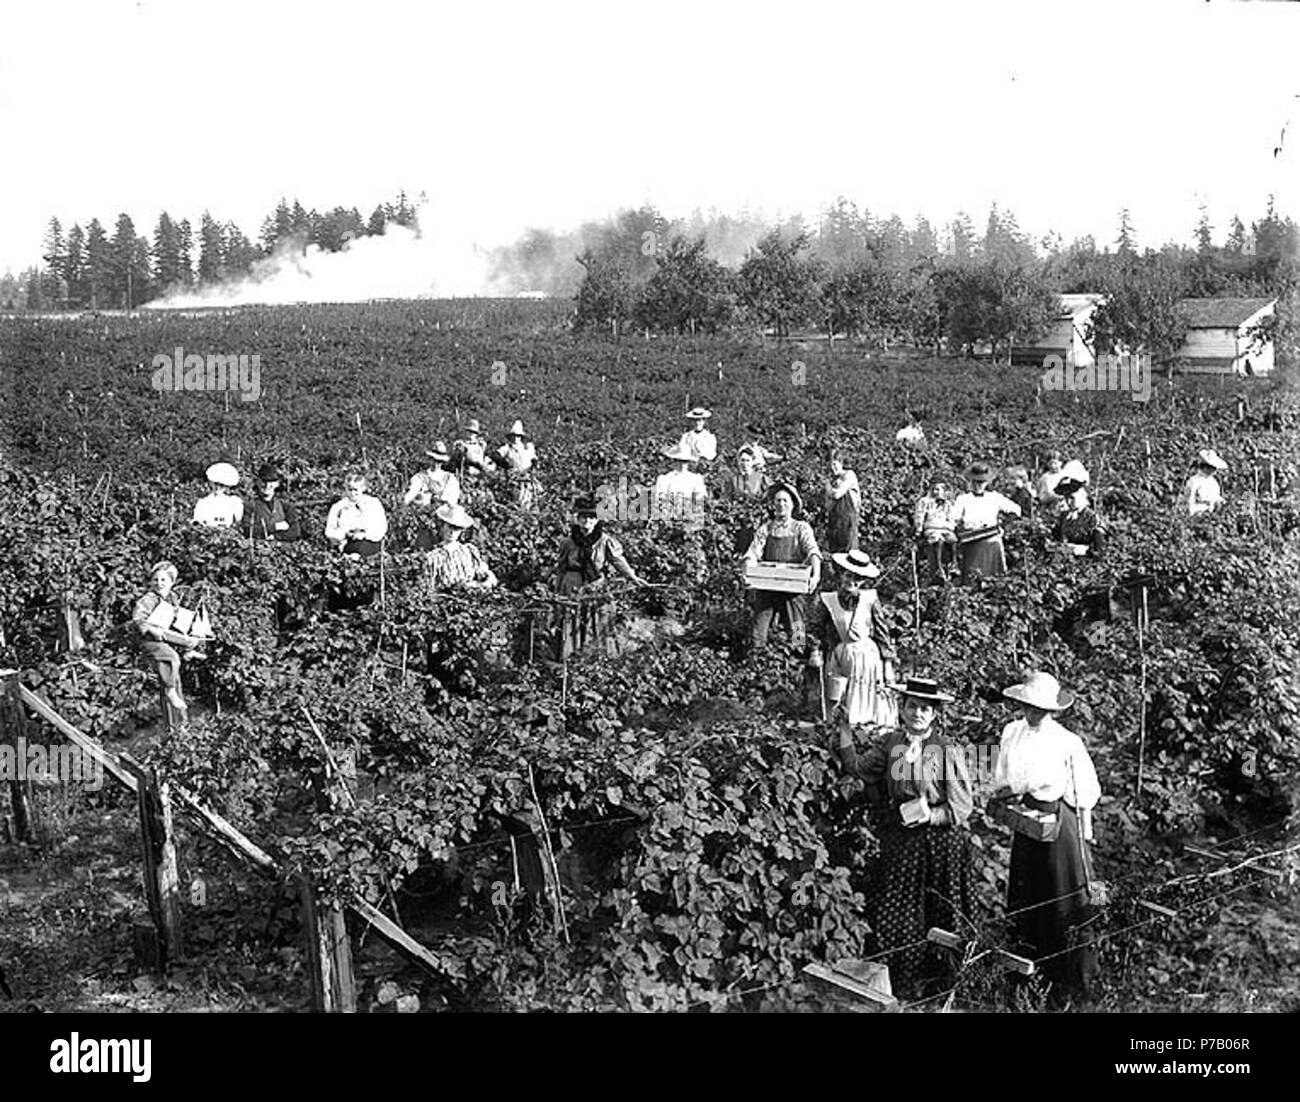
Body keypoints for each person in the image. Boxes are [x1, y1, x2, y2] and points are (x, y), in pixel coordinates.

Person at [838, 675, 973, 997]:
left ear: (935, 714)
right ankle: (900, 985)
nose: (918, 713)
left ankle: (944, 987)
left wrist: (933, 815)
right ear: (902, 708)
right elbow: (859, 768)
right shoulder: (892, 743)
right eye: (912, 706)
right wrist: (842, 731)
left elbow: (962, 806)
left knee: (942, 912)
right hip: (902, 840)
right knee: (897, 912)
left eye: (925, 709)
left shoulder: (945, 750)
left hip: (941, 845)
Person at [991, 670, 1101, 1000]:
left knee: (1064, 895)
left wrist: (1084, 833)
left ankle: (1069, 984)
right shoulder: (1011, 732)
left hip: (1059, 825)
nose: (1033, 713)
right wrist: (1003, 801)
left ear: (1053, 710)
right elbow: (1003, 779)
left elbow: (1085, 792)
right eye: (1028, 706)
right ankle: (1026, 979)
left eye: (1041, 708)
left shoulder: (1067, 742)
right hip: (1027, 822)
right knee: (1028, 894)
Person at [550, 496, 648, 659]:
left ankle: (597, 657)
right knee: (571, 619)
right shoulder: (568, 542)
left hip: (595, 585)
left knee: (599, 618)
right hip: (572, 584)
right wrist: (557, 591)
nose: (586, 521)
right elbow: (560, 568)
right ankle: (569, 657)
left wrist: (633, 577)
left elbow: (618, 561)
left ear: (596, 520)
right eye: (583, 517)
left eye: (591, 517)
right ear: (578, 519)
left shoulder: (604, 541)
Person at [807, 550, 897, 727]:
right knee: (837, 693)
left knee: (868, 695)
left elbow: (882, 632)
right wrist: (814, 650)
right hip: (841, 654)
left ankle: (868, 731)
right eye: (849, 576)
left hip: (867, 655)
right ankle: (839, 732)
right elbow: (812, 627)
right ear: (842, 574)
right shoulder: (828, 599)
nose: (852, 582)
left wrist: (888, 665)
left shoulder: (870, 598)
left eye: (858, 578)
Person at [741, 483, 822, 651]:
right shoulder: (766, 528)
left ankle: (799, 659)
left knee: (797, 627)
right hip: (767, 585)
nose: (781, 505)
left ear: (793, 504)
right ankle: (758, 661)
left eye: (785, 501)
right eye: (777, 501)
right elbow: (752, 553)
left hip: (793, 586)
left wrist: (816, 575)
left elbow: (813, 552)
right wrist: (747, 573)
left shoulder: (801, 528)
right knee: (758, 629)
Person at [132, 561, 206, 734]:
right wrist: (150, 628)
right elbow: (139, 619)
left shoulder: (172, 598)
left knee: (174, 673)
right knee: (171, 658)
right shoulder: (148, 599)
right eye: (155, 580)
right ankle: (172, 708)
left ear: (172, 582)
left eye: (163, 580)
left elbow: (177, 620)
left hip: (167, 638)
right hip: (151, 641)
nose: (159, 583)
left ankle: (180, 726)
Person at [953, 462, 1022, 580]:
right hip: (972, 539)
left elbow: (1016, 510)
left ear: (986, 483)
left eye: (981, 482)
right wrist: (959, 530)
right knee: (972, 576)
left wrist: (1004, 526)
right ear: (970, 482)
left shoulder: (994, 497)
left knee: (995, 577)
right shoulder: (963, 499)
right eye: (975, 482)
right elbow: (953, 518)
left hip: (991, 539)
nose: (978, 485)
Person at [424, 503, 498, 590]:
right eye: (449, 526)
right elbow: (429, 587)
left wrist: (478, 584)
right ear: (443, 526)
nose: (452, 532)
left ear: (461, 531)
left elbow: (487, 575)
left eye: (456, 528)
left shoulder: (468, 552)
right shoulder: (435, 557)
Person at [325, 470, 389, 557]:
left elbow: (381, 527)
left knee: (358, 552)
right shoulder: (338, 507)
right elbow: (329, 531)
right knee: (349, 553)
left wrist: (364, 535)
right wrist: (344, 534)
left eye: (355, 489)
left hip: (369, 542)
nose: (352, 493)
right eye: (349, 489)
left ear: (363, 488)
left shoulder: (373, 503)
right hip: (346, 543)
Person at [913, 478, 959, 584]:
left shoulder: (948, 504)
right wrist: (918, 530)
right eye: (933, 489)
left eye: (938, 490)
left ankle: (953, 565)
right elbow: (919, 516)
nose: (935, 492)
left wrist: (950, 527)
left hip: (945, 528)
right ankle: (939, 568)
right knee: (937, 539)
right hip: (932, 528)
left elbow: (952, 519)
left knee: (953, 540)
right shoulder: (925, 501)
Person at [652, 442, 708, 524]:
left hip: (690, 520)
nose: (682, 465)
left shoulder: (696, 479)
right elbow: (660, 500)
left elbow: (700, 499)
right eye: (679, 461)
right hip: (669, 520)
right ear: (674, 461)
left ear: (689, 462)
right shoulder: (664, 479)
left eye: (685, 462)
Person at [244, 464, 302, 541]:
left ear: (277, 484)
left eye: (271, 482)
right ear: (257, 482)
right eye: (264, 481)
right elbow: (248, 530)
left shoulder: (285, 505)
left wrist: (276, 537)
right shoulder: (250, 505)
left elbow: (295, 531)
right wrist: (274, 527)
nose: (267, 485)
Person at [1051, 477, 1105, 558]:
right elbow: (1057, 539)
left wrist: (1083, 550)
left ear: (1082, 495)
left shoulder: (1092, 517)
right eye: (1066, 498)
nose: (1068, 502)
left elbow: (1100, 550)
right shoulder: (1064, 517)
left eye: (1072, 497)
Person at [824, 451, 861, 554]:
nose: (832, 467)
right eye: (829, 465)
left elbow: (837, 494)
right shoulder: (833, 481)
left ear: (841, 463)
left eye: (834, 464)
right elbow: (828, 505)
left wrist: (828, 488)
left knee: (849, 555)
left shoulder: (849, 475)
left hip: (848, 522)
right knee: (835, 555)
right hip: (835, 523)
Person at [496, 420, 539, 510]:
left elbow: (534, 458)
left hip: (527, 477)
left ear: (521, 437)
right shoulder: (507, 447)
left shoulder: (527, 447)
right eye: (514, 436)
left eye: (518, 436)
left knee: (530, 499)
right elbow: (495, 455)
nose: (516, 438)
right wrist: (504, 463)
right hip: (514, 478)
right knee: (516, 501)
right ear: (511, 437)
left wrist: (534, 465)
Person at [192, 462, 244, 529]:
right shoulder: (203, 503)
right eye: (216, 484)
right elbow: (197, 523)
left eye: (221, 485)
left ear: (227, 486)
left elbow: (238, 522)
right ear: (211, 483)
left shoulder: (234, 502)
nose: (218, 488)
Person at [1184, 448, 1227, 516]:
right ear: (1205, 467)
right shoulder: (1194, 481)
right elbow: (1190, 501)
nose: (1214, 471)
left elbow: (1216, 497)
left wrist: (1221, 502)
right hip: (1198, 514)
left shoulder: (1214, 482)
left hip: (1211, 514)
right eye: (1212, 468)